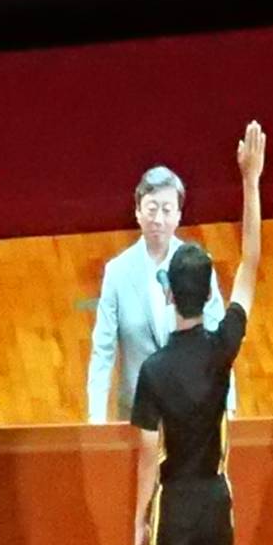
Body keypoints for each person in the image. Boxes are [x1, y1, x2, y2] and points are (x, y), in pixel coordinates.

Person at [130, 120, 265, 545]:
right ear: (209, 292)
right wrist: (250, 181)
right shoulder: (222, 348)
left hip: (173, 505)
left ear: (169, 293)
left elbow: (147, 455)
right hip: (214, 504)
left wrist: (140, 519)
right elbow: (251, 264)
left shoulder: (153, 371)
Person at [87, 166, 235, 425]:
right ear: (137, 212)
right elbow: (103, 349)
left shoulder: (199, 266)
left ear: (178, 216)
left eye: (167, 210)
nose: (158, 219)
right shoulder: (117, 272)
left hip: (192, 410)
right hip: (139, 413)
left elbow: (218, 344)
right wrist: (95, 417)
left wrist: (228, 408)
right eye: (151, 208)